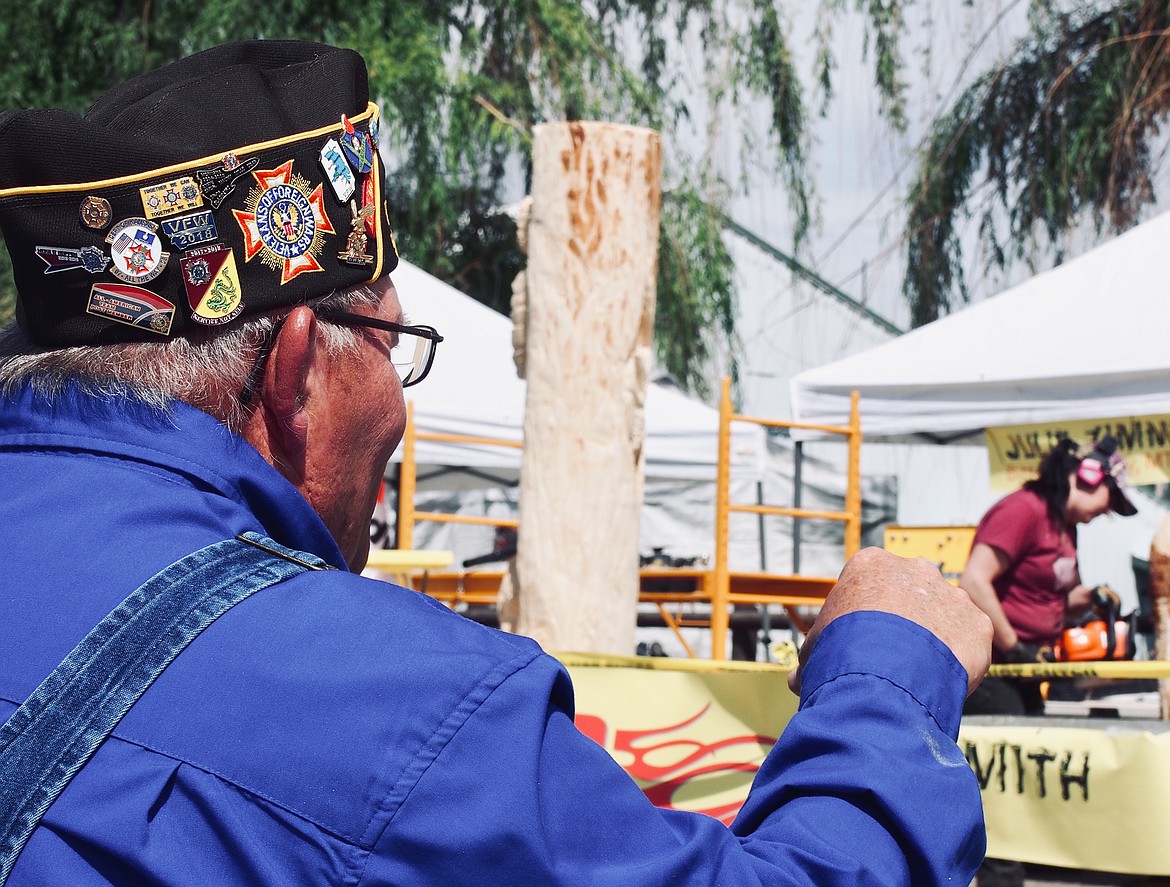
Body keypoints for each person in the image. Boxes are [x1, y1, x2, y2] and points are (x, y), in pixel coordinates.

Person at [0, 40, 991, 885]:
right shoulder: (396, 707)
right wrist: (891, 670)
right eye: (393, 345)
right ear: (298, 367)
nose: (398, 400)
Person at [959, 435, 1136, 887]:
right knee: (1002, 790)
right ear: (1087, 477)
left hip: (1027, 671)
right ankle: (1000, 877)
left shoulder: (1062, 524)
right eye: (1108, 500)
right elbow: (975, 579)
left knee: (1023, 783)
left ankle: (1015, 868)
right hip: (997, 670)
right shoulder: (1023, 510)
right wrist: (1014, 643)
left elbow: (1052, 599)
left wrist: (1091, 597)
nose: (1107, 511)